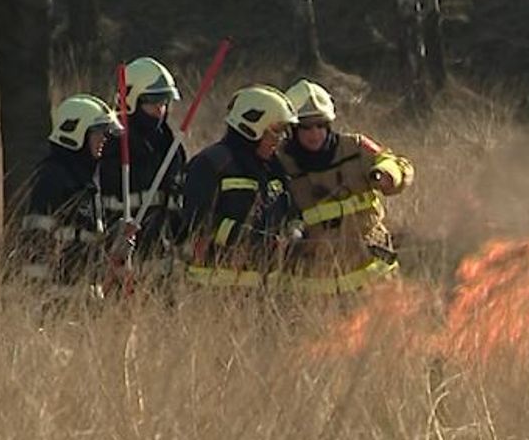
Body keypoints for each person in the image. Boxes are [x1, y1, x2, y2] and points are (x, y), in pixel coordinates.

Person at [274, 79, 414, 294]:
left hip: (374, 275)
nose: (315, 134)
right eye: (306, 127)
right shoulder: (281, 164)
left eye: (320, 125)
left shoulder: (354, 148)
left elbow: (394, 163)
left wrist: (388, 175)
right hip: (317, 284)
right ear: (292, 129)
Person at [180, 85, 300, 288]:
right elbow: (197, 223)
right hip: (214, 290)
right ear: (251, 127)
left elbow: (291, 212)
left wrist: (293, 233)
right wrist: (251, 239)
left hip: (267, 293)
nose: (280, 140)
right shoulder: (211, 164)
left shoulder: (275, 168)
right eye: (276, 132)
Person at [17, 94, 123, 294]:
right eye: (97, 132)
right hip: (57, 301)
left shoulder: (88, 181)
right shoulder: (52, 179)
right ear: (75, 133)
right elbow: (36, 242)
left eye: (106, 132)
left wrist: (115, 238)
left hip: (85, 299)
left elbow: (86, 241)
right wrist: (37, 299)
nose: (104, 138)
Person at [100, 57, 185, 274]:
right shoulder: (109, 146)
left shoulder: (171, 147)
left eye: (164, 103)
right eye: (152, 103)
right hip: (114, 261)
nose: (160, 111)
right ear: (130, 102)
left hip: (160, 266)